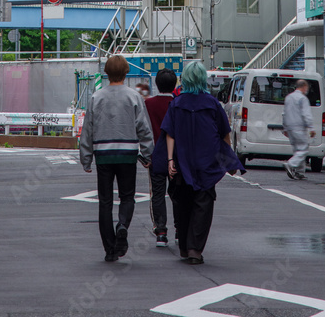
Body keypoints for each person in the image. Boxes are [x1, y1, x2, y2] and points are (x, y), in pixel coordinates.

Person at [158, 61, 245, 265]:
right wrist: (228, 159)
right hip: (207, 161)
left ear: (185, 79)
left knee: (183, 202)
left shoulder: (177, 103)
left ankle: (183, 246)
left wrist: (170, 159)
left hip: (182, 160)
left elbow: (169, 132)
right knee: (203, 204)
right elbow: (225, 135)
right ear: (202, 78)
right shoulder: (212, 104)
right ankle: (195, 249)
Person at [79, 55, 154, 262]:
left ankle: (110, 249)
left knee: (105, 202)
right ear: (126, 71)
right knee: (127, 197)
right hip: (128, 154)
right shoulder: (134, 96)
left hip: (103, 155)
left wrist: (86, 159)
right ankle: (122, 225)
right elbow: (144, 128)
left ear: (106, 72)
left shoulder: (97, 97)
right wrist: (147, 154)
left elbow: (88, 130)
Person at [145, 69, 177, 246]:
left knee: (157, 193)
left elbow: (144, 129)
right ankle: (180, 228)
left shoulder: (148, 104)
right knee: (177, 193)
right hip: (176, 156)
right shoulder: (177, 103)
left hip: (155, 154)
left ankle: (161, 231)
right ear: (175, 84)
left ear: (156, 84)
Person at [282, 79, 316, 180]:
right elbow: (306, 114)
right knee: (303, 150)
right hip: (300, 127)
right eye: (307, 88)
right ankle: (291, 164)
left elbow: (284, 114)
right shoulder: (302, 98)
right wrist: (311, 128)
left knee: (297, 150)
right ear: (304, 87)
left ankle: (299, 172)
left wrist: (285, 128)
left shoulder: (288, 97)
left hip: (290, 127)